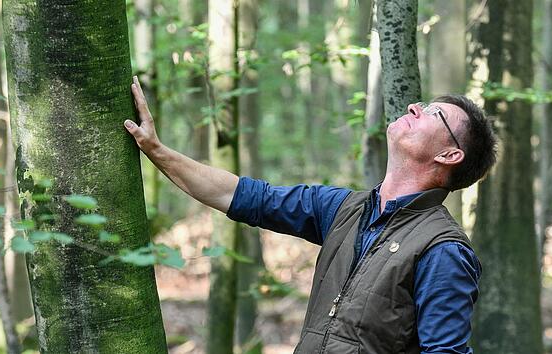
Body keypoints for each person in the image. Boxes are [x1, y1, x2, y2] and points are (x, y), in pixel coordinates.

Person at [124, 76, 497, 353]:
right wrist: (155, 150)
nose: (416, 106)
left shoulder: (443, 250)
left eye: (435, 113)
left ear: (450, 156)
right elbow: (238, 195)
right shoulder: (343, 209)